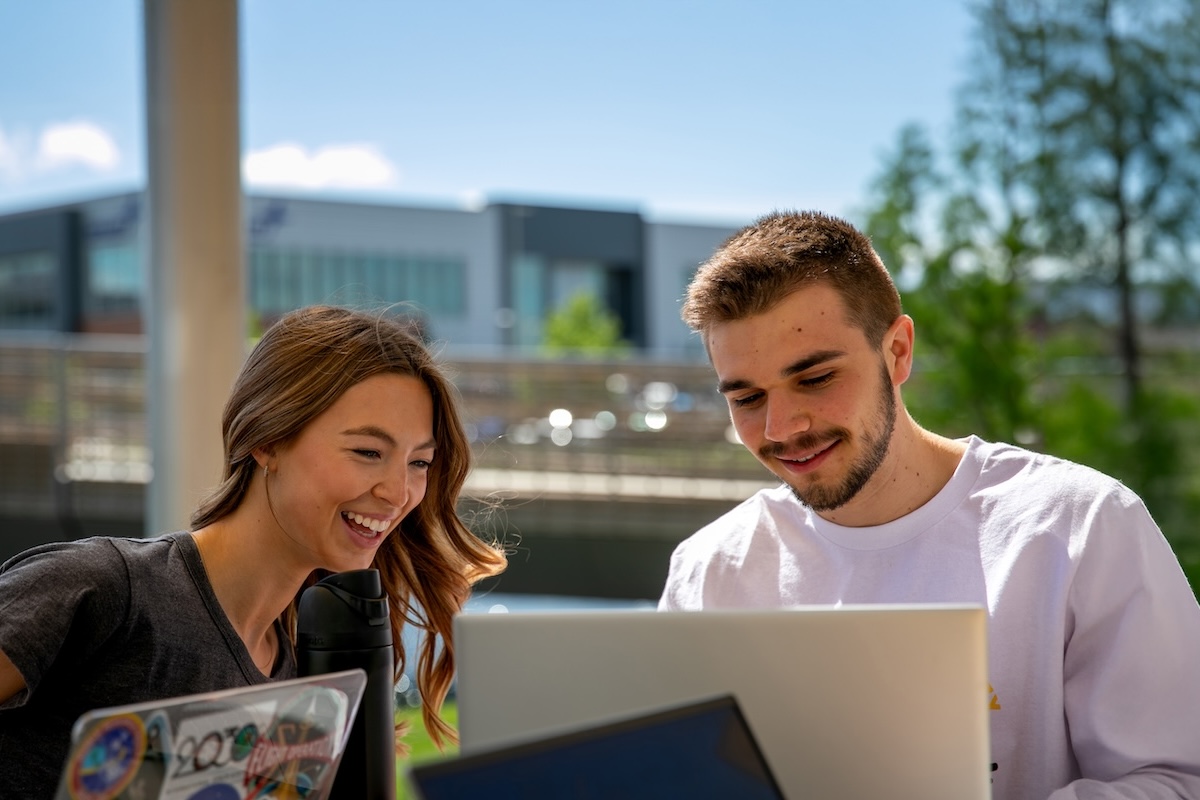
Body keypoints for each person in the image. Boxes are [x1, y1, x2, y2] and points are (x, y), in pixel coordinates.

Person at [658, 210, 1200, 799]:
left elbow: (1176, 779)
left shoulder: (1079, 526)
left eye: (814, 379)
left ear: (897, 352)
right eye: (747, 397)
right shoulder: (710, 571)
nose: (782, 426)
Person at [0, 304, 507, 797]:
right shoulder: (102, 588)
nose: (399, 494)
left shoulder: (297, 677)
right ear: (266, 438)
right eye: (367, 452)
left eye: (419, 463)